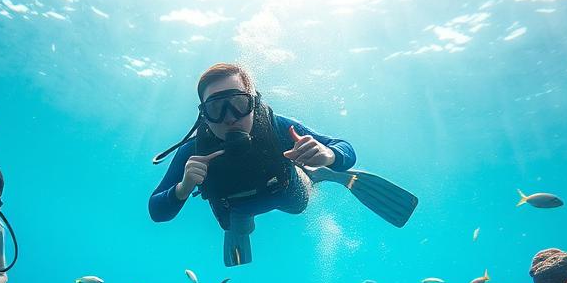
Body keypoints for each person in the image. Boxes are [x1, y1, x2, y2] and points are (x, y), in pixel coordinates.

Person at [149, 63, 416, 266]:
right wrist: (183, 188)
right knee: (238, 226)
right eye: (216, 108)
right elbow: (156, 211)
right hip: (236, 210)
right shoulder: (191, 152)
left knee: (300, 204)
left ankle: (316, 171)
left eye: (239, 104)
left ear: (253, 104)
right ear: (203, 115)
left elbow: (346, 149)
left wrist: (329, 155)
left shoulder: (277, 128)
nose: (229, 118)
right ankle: (308, 172)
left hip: (289, 193)